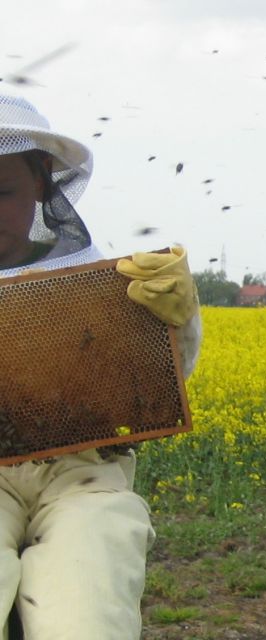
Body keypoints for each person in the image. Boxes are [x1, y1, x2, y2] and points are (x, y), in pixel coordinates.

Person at [0, 93, 201, 639]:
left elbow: (154, 383)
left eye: (2, 192)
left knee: (87, 607)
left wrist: (179, 320)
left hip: (83, 476)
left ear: (40, 182)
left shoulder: (95, 276)